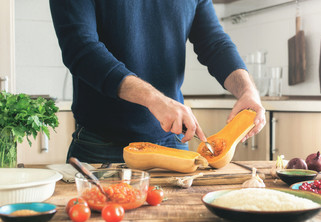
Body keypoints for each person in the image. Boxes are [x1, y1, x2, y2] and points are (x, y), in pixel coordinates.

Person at [49, 0, 266, 164]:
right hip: (100, 145)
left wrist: (247, 90)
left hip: (173, 140)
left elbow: (214, 43)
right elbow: (81, 48)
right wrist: (154, 99)